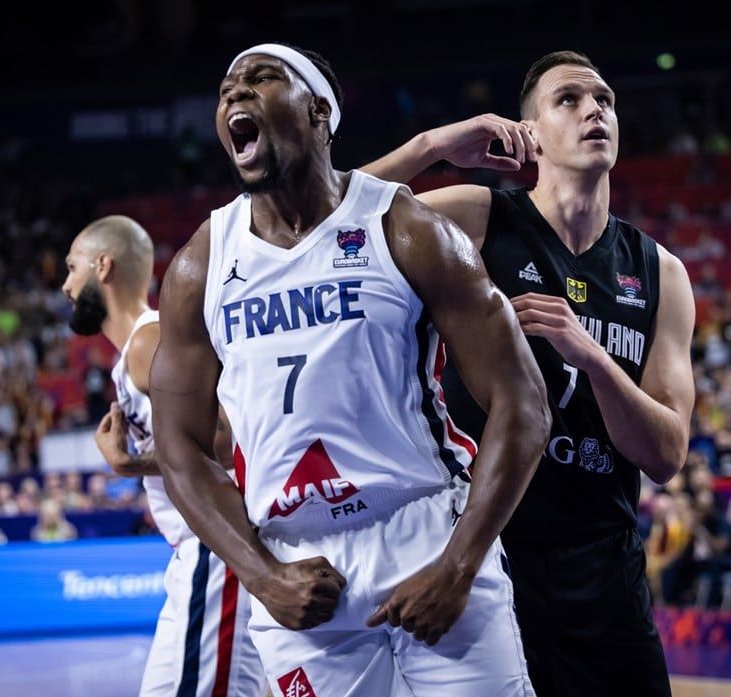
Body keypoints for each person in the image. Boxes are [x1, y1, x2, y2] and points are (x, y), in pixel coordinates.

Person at [150, 43, 550, 697]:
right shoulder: (201, 263)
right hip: (295, 564)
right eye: (226, 88)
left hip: (425, 533)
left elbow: (523, 402)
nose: (235, 94)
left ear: (318, 111)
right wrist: (261, 575)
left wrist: (459, 563)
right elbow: (178, 446)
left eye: (261, 78)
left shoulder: (408, 229)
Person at [362, 50, 696, 696]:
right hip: (486, 550)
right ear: (530, 134)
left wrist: (591, 355)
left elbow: (665, 454)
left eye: (604, 99)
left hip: (604, 567)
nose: (594, 109)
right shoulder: (477, 217)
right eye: (568, 99)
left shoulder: (661, 273)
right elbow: (325, 222)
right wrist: (431, 146)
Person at [62, 216, 265, 697]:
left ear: (102, 266)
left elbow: (226, 440)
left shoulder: (148, 341)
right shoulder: (134, 354)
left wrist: (129, 464)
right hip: (195, 552)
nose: (66, 286)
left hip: (215, 546)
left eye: (72, 268)